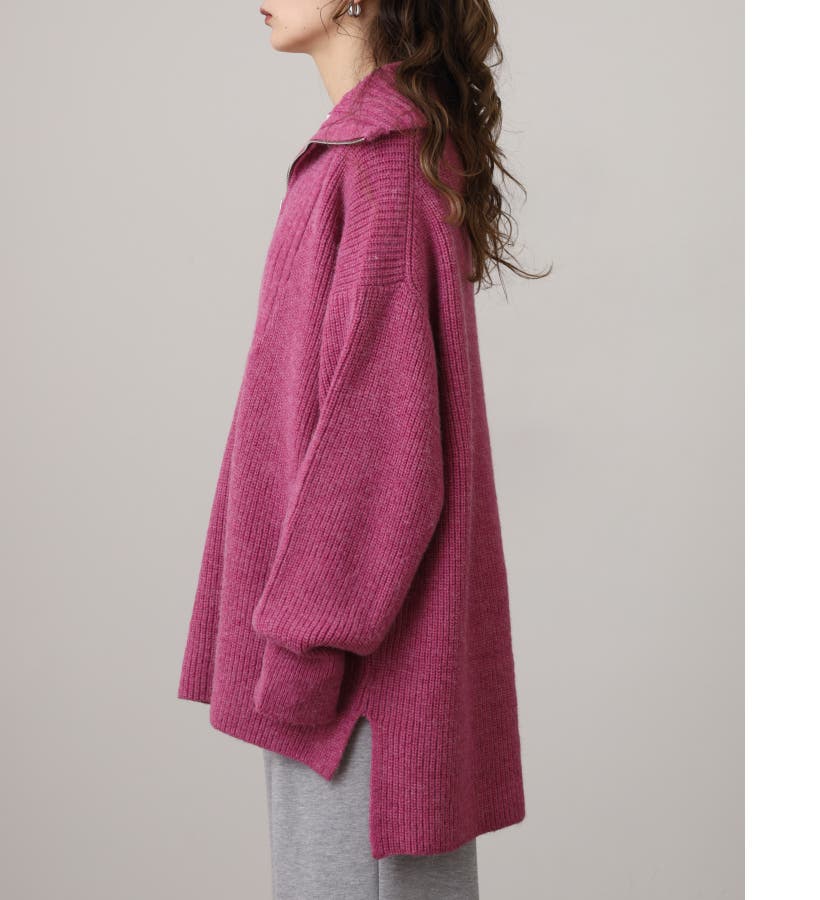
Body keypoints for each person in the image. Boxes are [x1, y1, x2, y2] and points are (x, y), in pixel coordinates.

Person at [178, 2, 549, 896]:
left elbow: (385, 458)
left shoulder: (379, 171)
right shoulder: (366, 161)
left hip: (359, 687)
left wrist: (303, 648)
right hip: (348, 672)